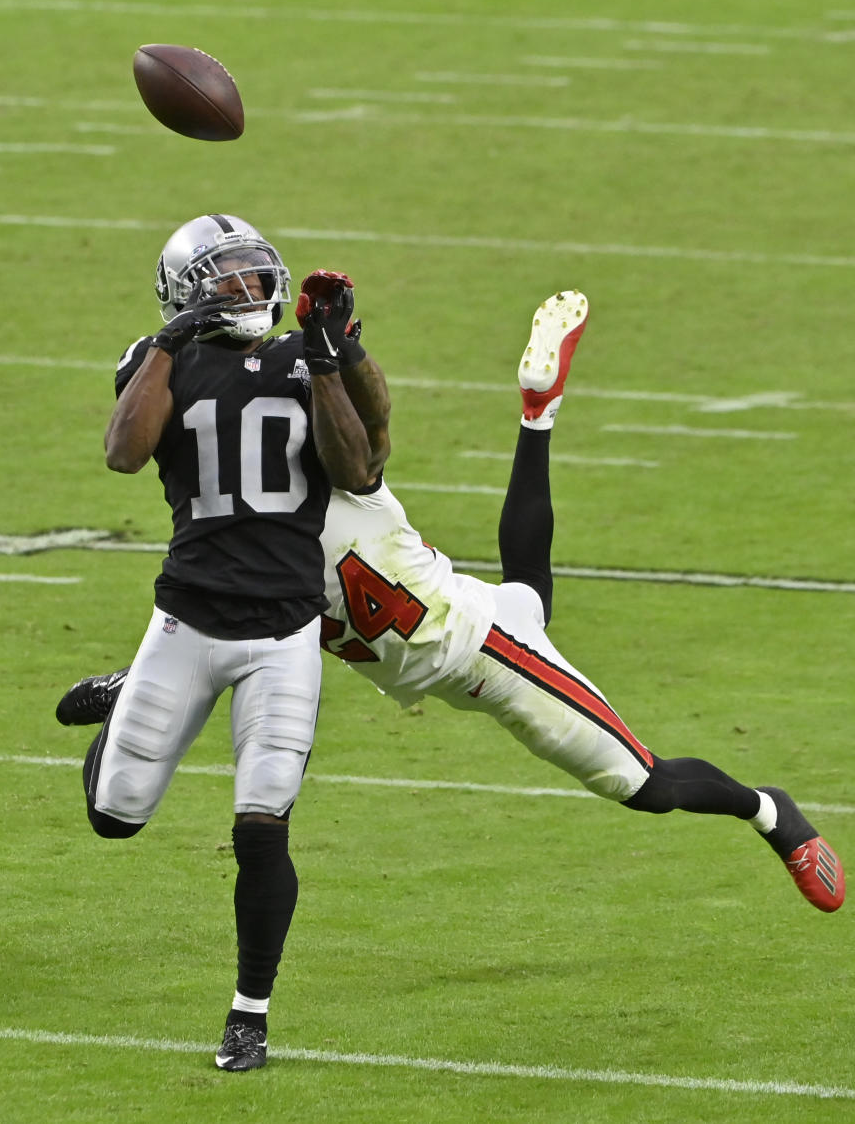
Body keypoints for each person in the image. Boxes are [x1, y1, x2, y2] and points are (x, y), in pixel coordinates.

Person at [61, 286, 844, 978]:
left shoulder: (338, 479)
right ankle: (538, 413)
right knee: (527, 594)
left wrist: (340, 352)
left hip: (479, 654)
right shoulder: (253, 518)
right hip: (415, 636)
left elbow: (368, 438)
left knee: (641, 782)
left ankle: (770, 813)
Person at [76, 214, 379, 1073]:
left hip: (284, 632)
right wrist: (171, 342)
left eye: (256, 274)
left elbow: (360, 468)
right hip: (188, 623)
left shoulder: (300, 360)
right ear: (186, 290)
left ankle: (250, 1014)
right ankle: (124, 699)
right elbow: (123, 454)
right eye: (229, 277)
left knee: (262, 825)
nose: (250, 289)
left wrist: (331, 355)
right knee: (114, 819)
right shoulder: (161, 356)